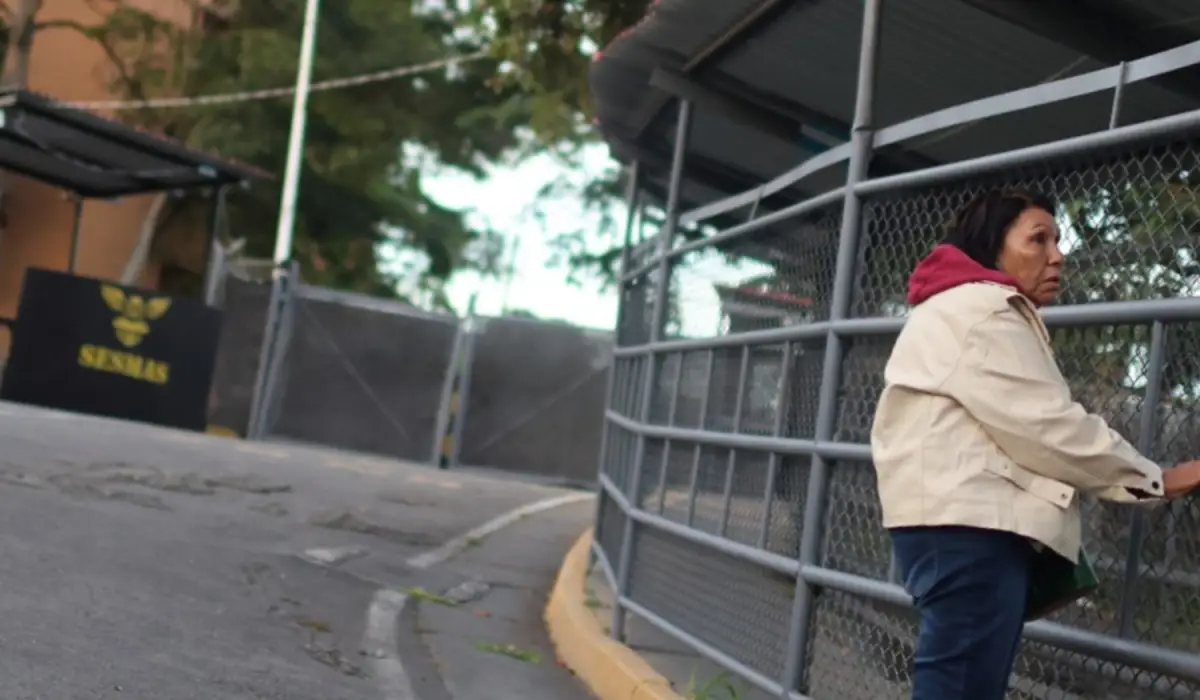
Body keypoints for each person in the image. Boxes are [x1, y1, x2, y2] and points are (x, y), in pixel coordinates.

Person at [869, 188, 1200, 700]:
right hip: (972, 530)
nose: (1057, 255)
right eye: (1038, 239)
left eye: (1058, 239)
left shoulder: (954, 307)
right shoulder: (984, 310)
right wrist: (1155, 478)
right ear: (992, 247)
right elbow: (1048, 426)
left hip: (951, 524)